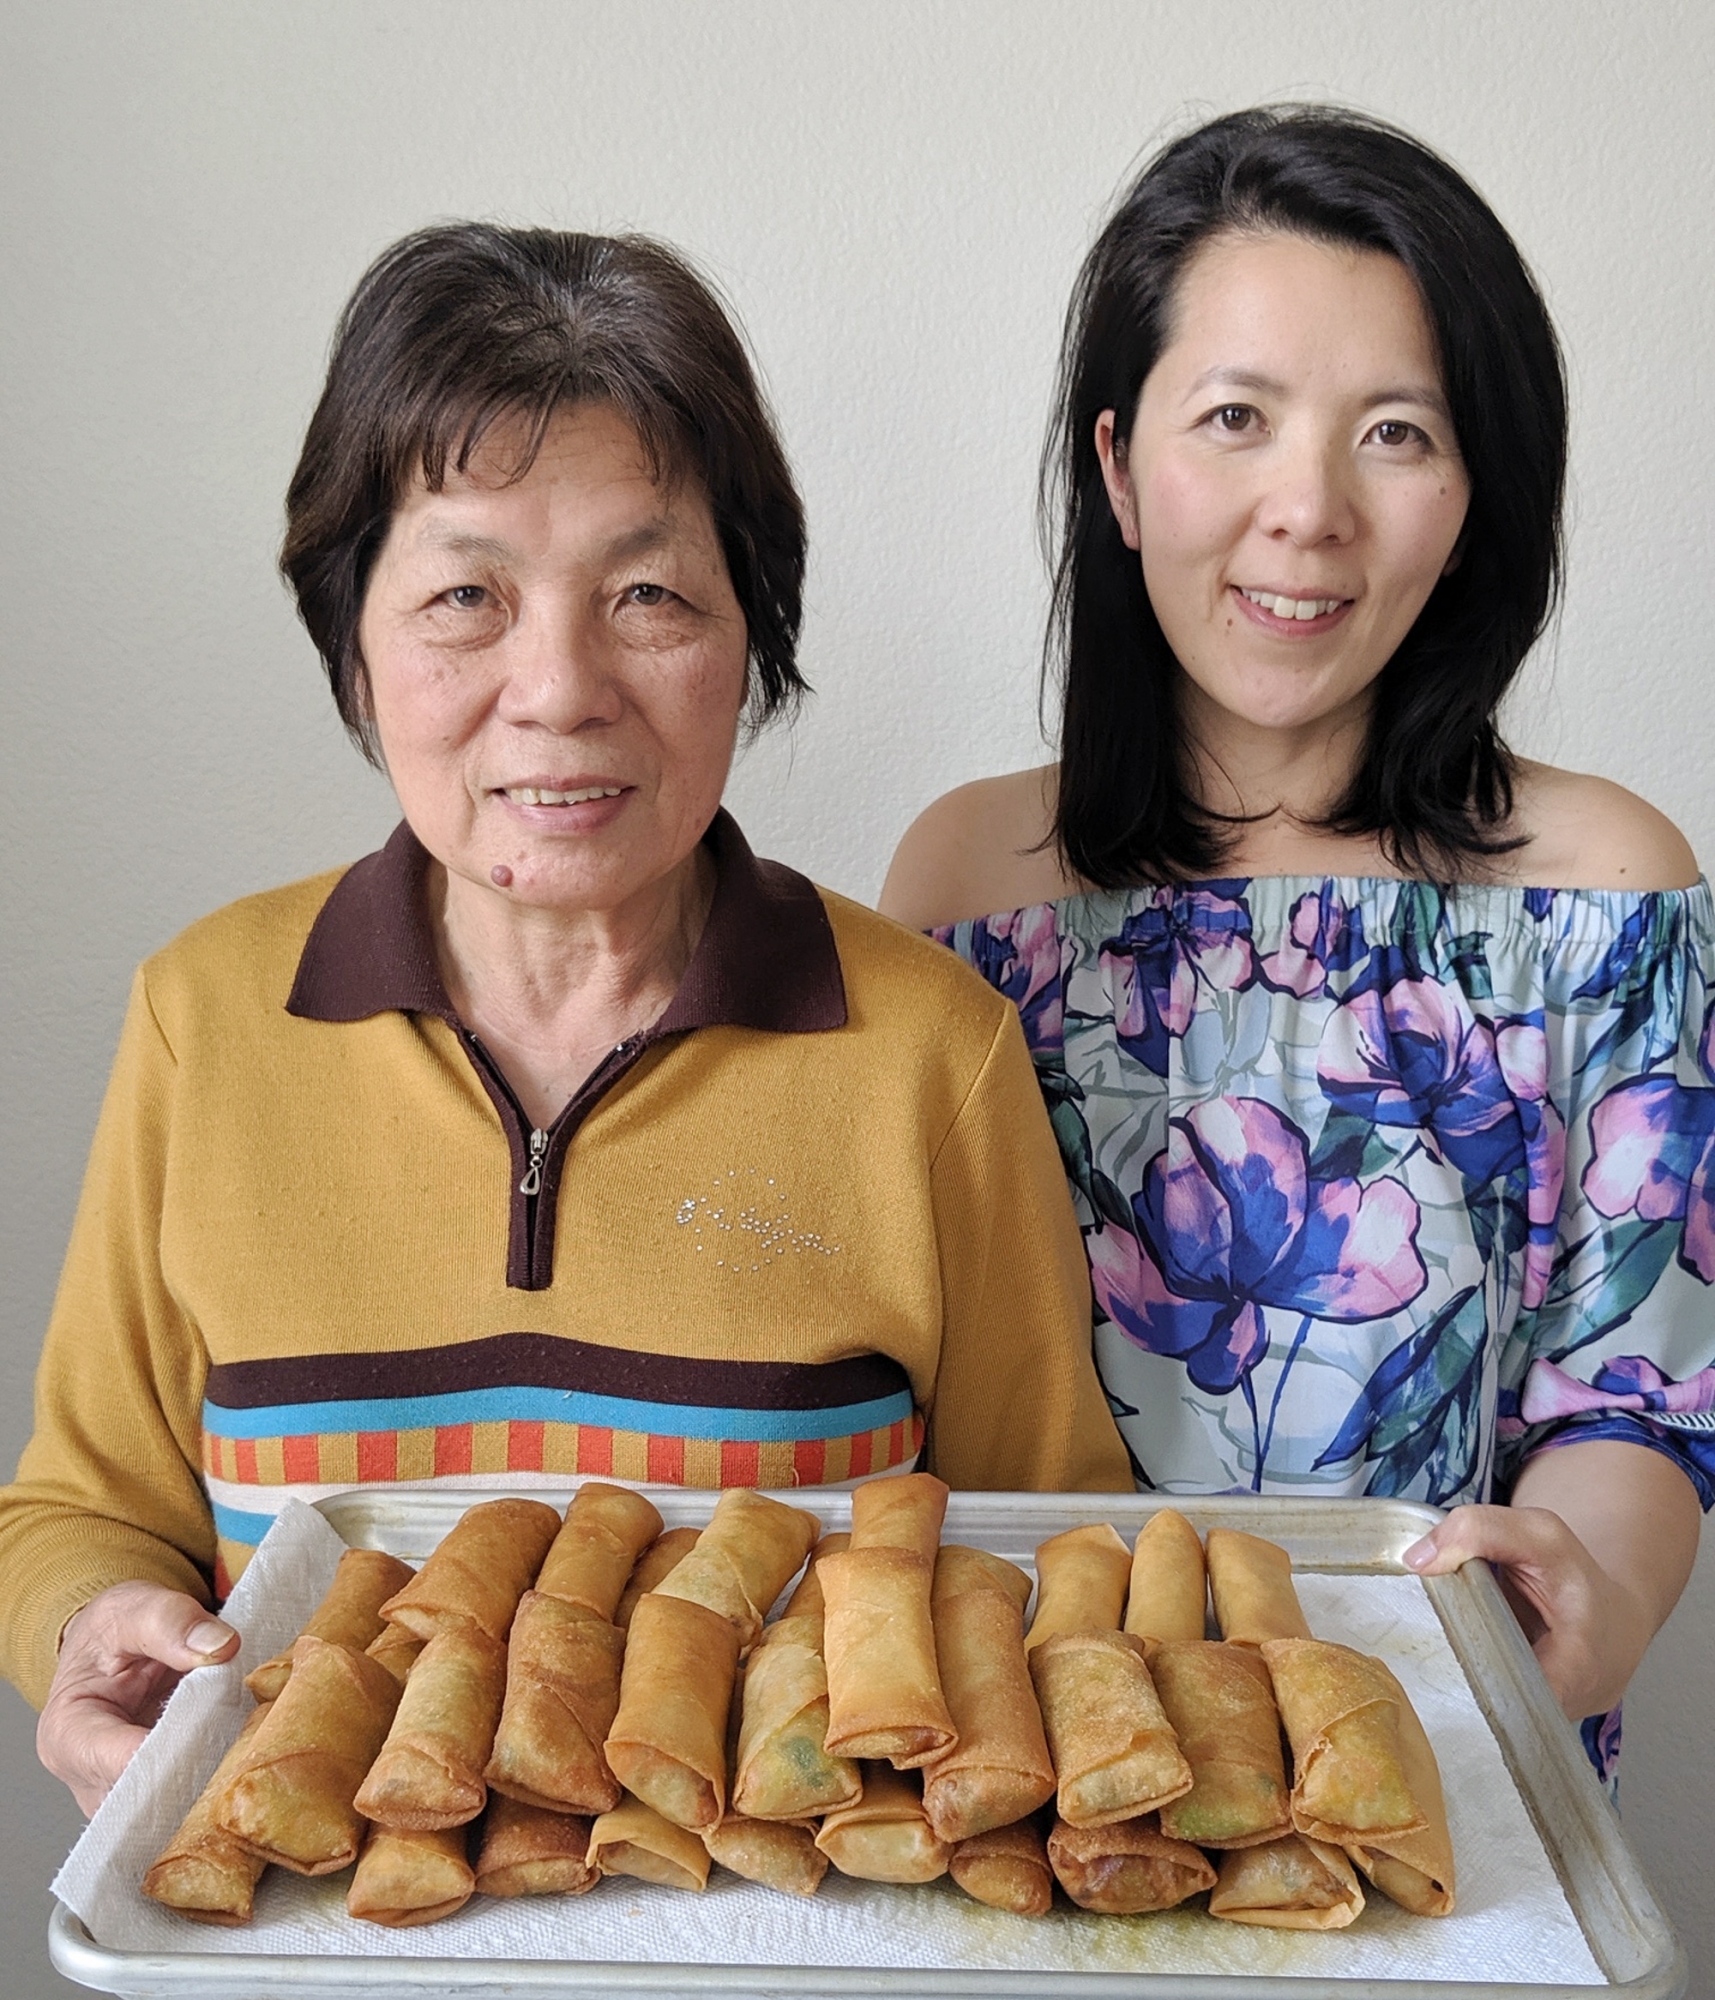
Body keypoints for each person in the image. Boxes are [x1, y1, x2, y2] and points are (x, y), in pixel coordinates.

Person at [2, 222, 1131, 1815]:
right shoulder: (206, 1020)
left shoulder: (932, 1056)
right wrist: (91, 1626)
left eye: (649, 594)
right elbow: (79, 1507)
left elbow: (1054, 1551)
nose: (558, 686)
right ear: (356, 644)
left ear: (751, 642)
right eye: (467, 595)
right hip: (314, 1920)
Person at [880, 106, 1712, 1780]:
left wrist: (1593, 1593)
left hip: (1451, 1755)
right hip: (1044, 1768)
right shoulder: (968, 881)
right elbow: (914, 1383)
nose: (1309, 508)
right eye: (1237, 418)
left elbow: (1638, 1389)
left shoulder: (1611, 889)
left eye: (1397, 432)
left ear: (1478, 492)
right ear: (1119, 469)